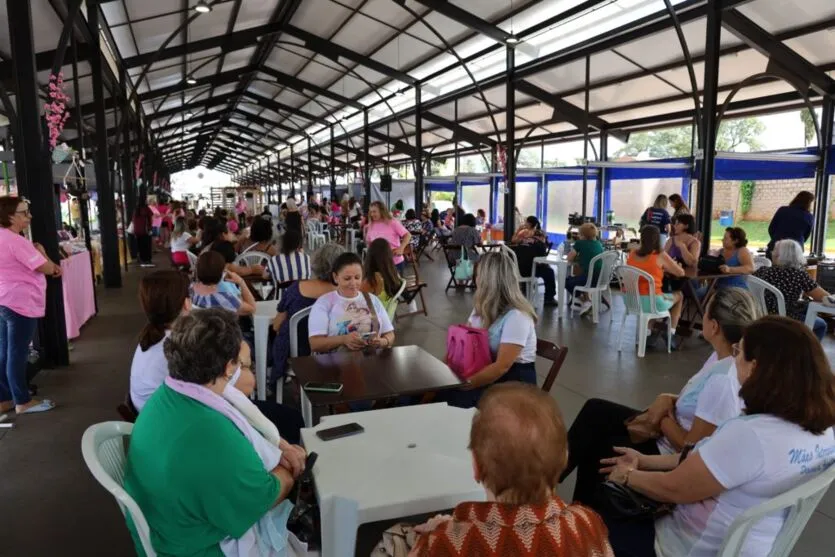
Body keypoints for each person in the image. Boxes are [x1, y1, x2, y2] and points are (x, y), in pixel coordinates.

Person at [597, 316, 835, 557]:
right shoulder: (824, 433)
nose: (733, 359)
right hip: (754, 545)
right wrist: (645, 461)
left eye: (739, 352)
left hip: (682, 547)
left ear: (755, 368)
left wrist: (627, 476)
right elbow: (710, 458)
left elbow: (674, 488)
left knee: (593, 515)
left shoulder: (751, 436)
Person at [124, 309, 306, 556]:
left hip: (166, 524)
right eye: (241, 363)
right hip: (196, 547)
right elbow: (261, 499)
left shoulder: (168, 397)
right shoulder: (209, 432)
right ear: (229, 367)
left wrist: (281, 448)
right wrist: (288, 472)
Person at [561, 287, 760, 506]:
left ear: (714, 326)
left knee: (598, 450)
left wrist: (663, 417)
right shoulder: (720, 358)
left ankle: (579, 515)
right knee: (596, 410)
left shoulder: (723, 381)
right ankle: (550, 478)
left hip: (665, 449)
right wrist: (668, 399)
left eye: (704, 313)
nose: (702, 317)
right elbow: (699, 401)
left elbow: (690, 451)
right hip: (669, 423)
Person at [406, 383, 614, 557]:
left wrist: (440, 531)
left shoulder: (442, 544)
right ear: (564, 459)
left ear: (476, 467)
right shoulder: (588, 524)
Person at [438, 252, 539, 408]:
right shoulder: (482, 309)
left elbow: (502, 366)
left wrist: (467, 383)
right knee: (435, 392)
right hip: (488, 371)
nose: (475, 278)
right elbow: (467, 342)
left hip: (514, 381)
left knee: (453, 398)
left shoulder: (518, 316)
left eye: (477, 275)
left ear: (487, 280)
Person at [0, 197, 62, 414]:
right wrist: (43, 252)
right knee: (16, 353)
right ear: (10, 216)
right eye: (25, 213)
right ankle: (22, 401)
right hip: (20, 303)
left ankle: (5, 398)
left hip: (4, 300)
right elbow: (48, 268)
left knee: (5, 351)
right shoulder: (16, 241)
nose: (29, 216)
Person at [270, 243, 345, 387]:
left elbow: (276, 325)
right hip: (331, 353)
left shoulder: (296, 289)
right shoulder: (344, 294)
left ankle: (296, 386)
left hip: (295, 353)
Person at [308, 252, 395, 353]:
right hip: (336, 364)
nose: (353, 283)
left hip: (371, 360)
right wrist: (343, 339)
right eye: (347, 278)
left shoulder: (372, 300)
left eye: (357, 277)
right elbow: (315, 344)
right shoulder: (324, 303)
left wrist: (383, 342)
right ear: (336, 277)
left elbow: (390, 334)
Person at [755, 239, 830, 340]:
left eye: (774, 251)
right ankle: (807, 353)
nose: (771, 253)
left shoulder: (762, 271)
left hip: (760, 315)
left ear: (778, 256)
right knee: (821, 324)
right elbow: (823, 297)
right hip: (785, 318)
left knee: (805, 307)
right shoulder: (798, 275)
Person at [627, 225, 686, 348]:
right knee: (679, 295)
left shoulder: (632, 254)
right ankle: (671, 333)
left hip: (631, 300)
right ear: (657, 239)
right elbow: (681, 273)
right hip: (652, 302)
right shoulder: (660, 255)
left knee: (654, 298)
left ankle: (648, 334)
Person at [509, 216, 558, 307]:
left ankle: (524, 292)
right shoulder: (538, 237)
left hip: (517, 268)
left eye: (526, 222)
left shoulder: (523, 236)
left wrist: (519, 231)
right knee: (549, 272)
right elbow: (542, 254)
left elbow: (513, 241)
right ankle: (549, 298)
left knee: (537, 266)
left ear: (530, 224)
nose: (524, 223)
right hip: (529, 269)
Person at [191, 251, 256, 316]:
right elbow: (252, 308)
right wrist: (241, 282)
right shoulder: (225, 299)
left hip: (196, 325)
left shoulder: (189, 290)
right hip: (220, 325)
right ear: (222, 272)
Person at [565, 222, 605, 315]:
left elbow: (569, 258)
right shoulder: (599, 244)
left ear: (582, 235)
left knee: (567, 281)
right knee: (581, 275)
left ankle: (585, 302)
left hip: (589, 280)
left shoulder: (580, 243)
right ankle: (587, 301)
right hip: (601, 280)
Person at [362, 238, 404, 319]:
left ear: (370, 256)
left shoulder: (372, 280)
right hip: (385, 317)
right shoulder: (393, 274)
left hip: (371, 319)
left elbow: (355, 300)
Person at [365, 201, 411, 274]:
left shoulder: (393, 222)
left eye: (374, 211)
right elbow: (370, 243)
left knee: (394, 285)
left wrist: (401, 248)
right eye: (371, 212)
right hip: (378, 264)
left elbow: (407, 235)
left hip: (394, 263)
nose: (372, 214)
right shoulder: (370, 225)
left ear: (382, 211)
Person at [766, 191, 814, 259]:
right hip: (795, 251)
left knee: (771, 269)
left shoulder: (782, 210)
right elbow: (805, 236)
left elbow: (771, 229)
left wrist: (778, 240)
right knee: (792, 269)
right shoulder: (809, 217)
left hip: (775, 248)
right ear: (808, 203)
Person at [663, 213, 700, 283]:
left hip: (689, 281)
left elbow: (691, 263)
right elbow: (662, 259)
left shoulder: (695, 243)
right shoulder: (671, 240)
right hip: (671, 278)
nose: (674, 226)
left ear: (686, 226)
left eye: (678, 224)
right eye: (675, 224)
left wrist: (682, 246)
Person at [132, 201, 155, 267]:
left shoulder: (136, 210)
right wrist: (150, 228)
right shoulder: (146, 209)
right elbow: (151, 218)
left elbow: (133, 220)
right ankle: (147, 259)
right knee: (147, 245)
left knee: (140, 245)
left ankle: (142, 259)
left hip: (137, 230)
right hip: (146, 230)